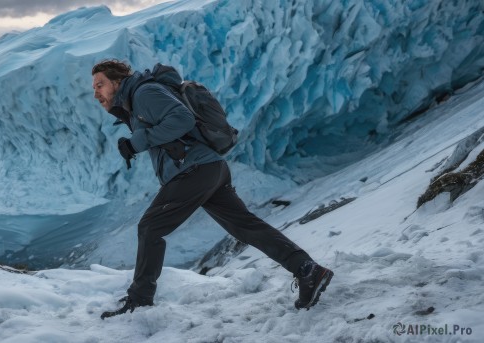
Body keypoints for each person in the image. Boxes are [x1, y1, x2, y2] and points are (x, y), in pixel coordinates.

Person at [92, 59, 333, 319]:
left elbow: (182, 119)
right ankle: (307, 269)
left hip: (194, 170)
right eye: (94, 88)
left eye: (100, 84)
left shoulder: (143, 93)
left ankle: (139, 302)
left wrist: (138, 142)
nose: (96, 93)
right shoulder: (138, 98)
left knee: (150, 228)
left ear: (117, 81)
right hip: (209, 168)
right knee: (245, 226)